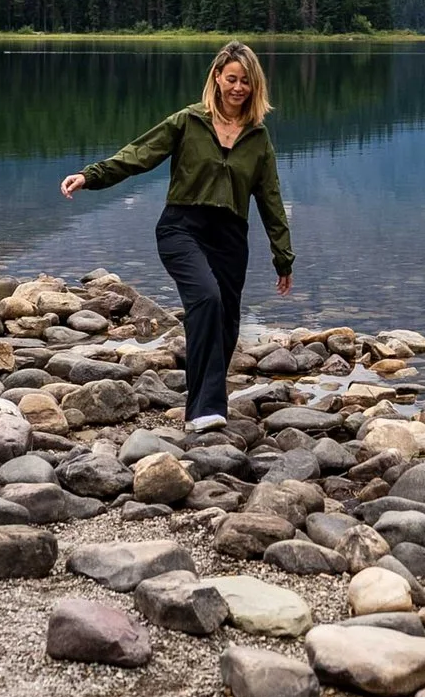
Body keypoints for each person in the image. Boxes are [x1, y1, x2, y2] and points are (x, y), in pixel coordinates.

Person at [61, 41, 294, 431]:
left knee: (225, 322)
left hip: (230, 238)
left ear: (255, 87)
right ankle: (207, 410)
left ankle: (199, 408)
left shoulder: (258, 138)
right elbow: (140, 153)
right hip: (181, 228)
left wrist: (283, 256)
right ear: (217, 77)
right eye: (232, 79)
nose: (238, 88)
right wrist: (91, 176)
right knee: (206, 297)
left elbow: (271, 199)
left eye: (246, 82)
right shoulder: (188, 121)